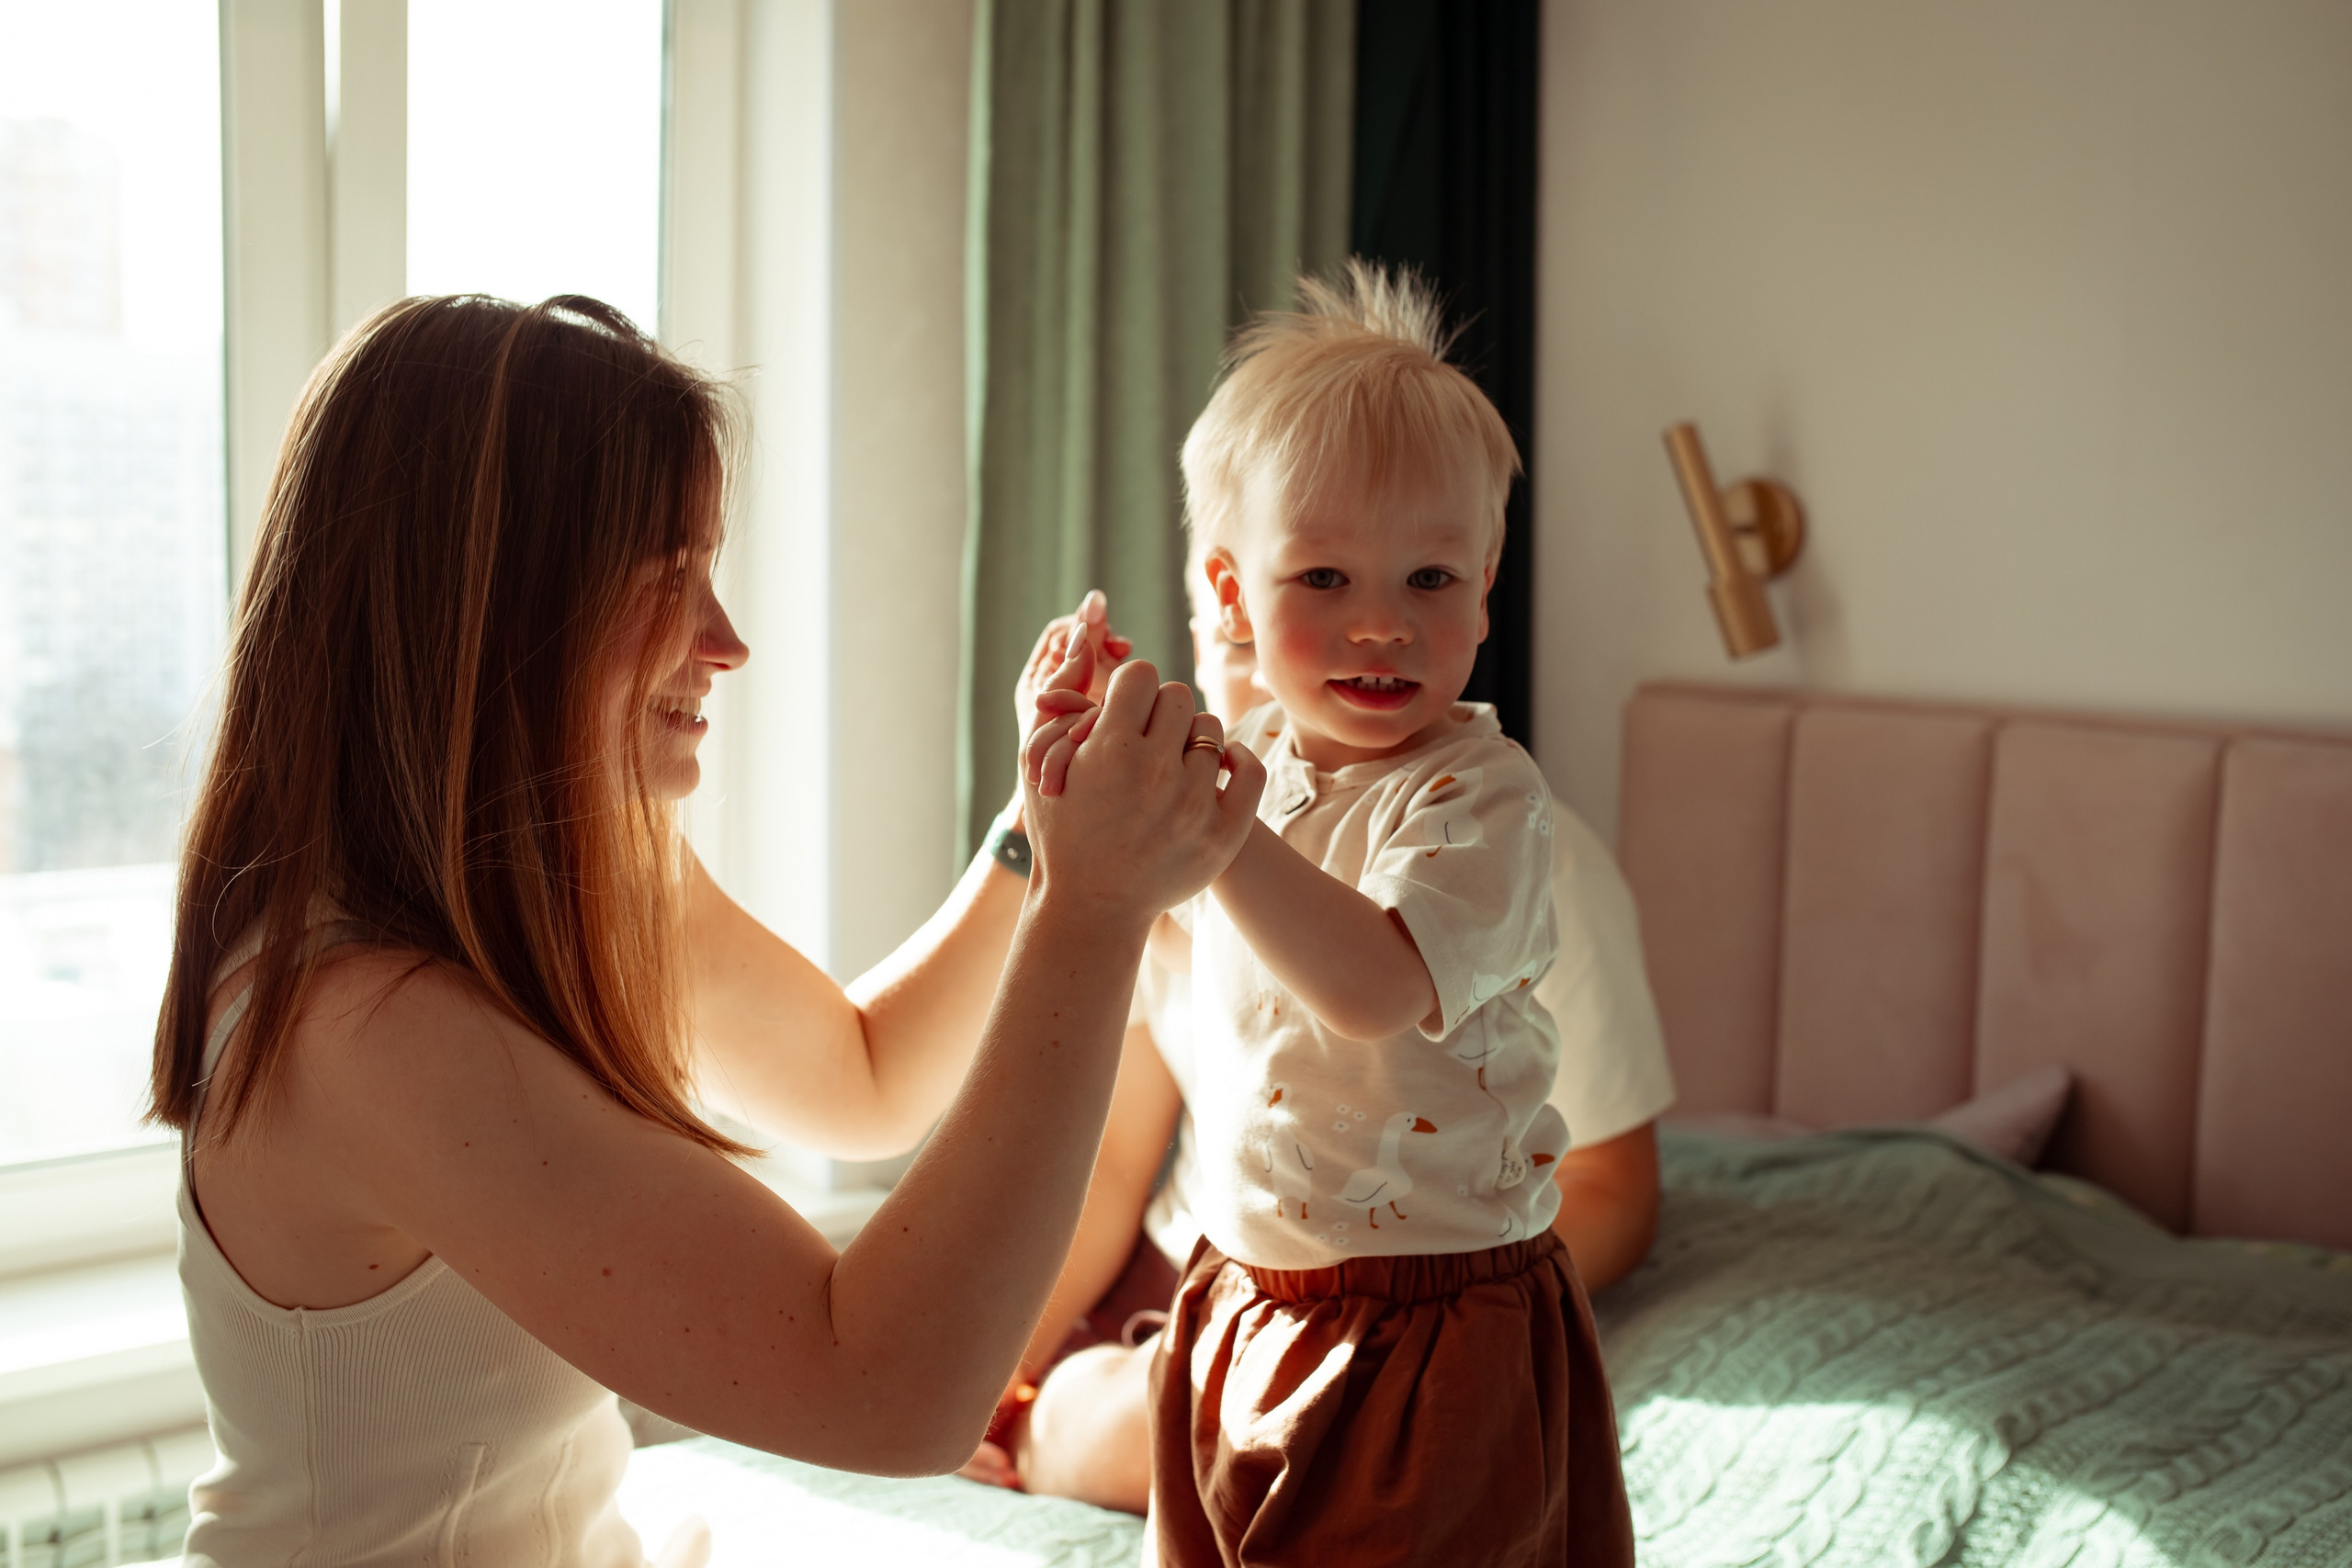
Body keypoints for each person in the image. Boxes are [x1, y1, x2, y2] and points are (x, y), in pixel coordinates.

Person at [146, 294, 1261, 1568]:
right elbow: (889, 1392)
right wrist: (1093, 909)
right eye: (668, 580)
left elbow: (865, 1078)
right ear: (499, 610)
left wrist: (1030, 829)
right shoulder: (360, 1029)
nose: (727, 642)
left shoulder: (576, 878)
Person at [1017, 263, 1640, 1565]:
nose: (1381, 626)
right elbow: (1137, 924)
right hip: (1242, 1284)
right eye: (1322, 578)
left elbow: (1372, 983)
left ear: (1486, 586)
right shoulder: (1254, 766)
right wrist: (1076, 759)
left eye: (1429, 578)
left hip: (1431, 1312)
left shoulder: (1482, 798)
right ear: (1230, 595)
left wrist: (1217, 822)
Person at [965, 584, 1676, 1516]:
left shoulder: (1503, 848)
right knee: (1062, 1399)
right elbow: (1113, 1167)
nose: (1296, 678)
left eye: (1416, 583)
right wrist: (991, 1380)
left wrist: (1411, 1327)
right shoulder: (1190, 855)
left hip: (1383, 1296)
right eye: (1244, 639)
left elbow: (1615, 1188)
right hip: (1201, 1274)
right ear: (1213, 625)